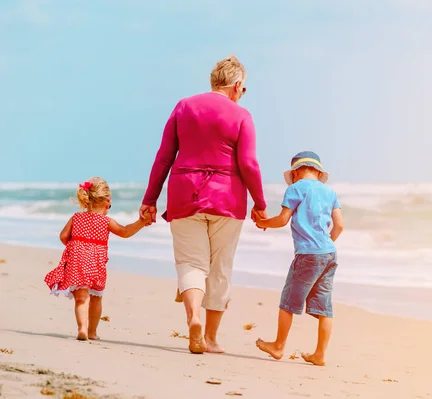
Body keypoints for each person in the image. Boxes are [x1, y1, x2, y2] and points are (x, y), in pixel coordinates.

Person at [139, 55, 267, 354]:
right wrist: (260, 203)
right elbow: (248, 163)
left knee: (191, 264)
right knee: (220, 268)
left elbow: (164, 157)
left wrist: (150, 199)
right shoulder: (241, 115)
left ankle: (193, 317)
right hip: (228, 198)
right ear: (237, 85)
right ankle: (209, 338)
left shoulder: (184, 106)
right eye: (244, 89)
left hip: (185, 195)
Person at [253, 151, 344, 366]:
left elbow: (283, 219)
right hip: (329, 253)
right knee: (324, 307)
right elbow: (339, 226)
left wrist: (262, 223)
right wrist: (325, 245)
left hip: (307, 255)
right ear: (319, 172)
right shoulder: (330, 193)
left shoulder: (295, 189)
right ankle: (320, 354)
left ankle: (278, 346)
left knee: (289, 301)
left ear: (295, 173)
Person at [44, 177, 151, 341]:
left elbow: (63, 236)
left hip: (77, 261)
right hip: (96, 263)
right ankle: (93, 332)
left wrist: (74, 245)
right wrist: (141, 222)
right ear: (108, 202)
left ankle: (82, 329)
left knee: (81, 298)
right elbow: (125, 232)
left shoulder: (76, 218)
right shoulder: (106, 221)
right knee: (96, 298)